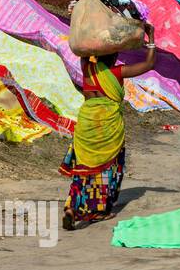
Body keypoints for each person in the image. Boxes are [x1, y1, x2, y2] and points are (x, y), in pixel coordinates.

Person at [60, 21, 156, 230]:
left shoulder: (87, 66)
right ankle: (98, 211)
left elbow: (81, 46)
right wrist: (151, 37)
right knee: (105, 169)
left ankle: (71, 206)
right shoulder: (116, 72)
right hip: (107, 125)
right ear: (112, 56)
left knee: (83, 167)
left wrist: (78, 21)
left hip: (86, 122)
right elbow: (149, 65)